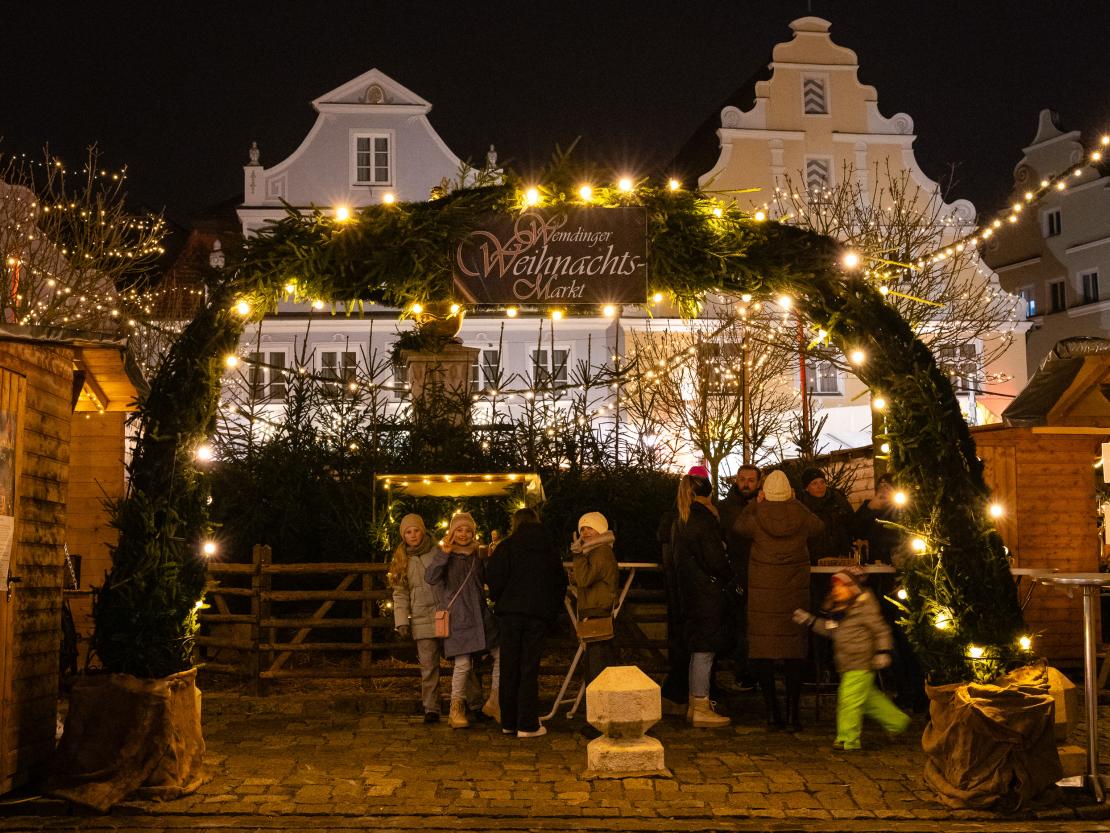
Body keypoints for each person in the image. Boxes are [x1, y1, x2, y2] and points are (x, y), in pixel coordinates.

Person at [734, 468, 823, 732]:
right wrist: (795, 502)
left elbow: (738, 527)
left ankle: (773, 714)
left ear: (764, 491)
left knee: (764, 654)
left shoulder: (757, 514)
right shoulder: (799, 513)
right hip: (795, 595)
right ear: (790, 492)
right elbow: (819, 526)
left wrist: (754, 505)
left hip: (764, 599)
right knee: (794, 654)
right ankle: (794, 715)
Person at [793, 565, 911, 750]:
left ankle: (848, 738)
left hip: (861, 661)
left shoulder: (864, 608)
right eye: (835, 587)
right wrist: (811, 621)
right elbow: (830, 630)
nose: (836, 591)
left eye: (841, 587)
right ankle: (897, 721)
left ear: (853, 589)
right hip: (847, 663)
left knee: (848, 700)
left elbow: (880, 630)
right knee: (868, 700)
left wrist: (883, 651)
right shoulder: (840, 612)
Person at [486, 507, 567, 738]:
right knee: (529, 668)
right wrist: (551, 610)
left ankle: (509, 721)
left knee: (509, 666)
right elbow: (558, 582)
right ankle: (527, 722)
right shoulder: (549, 549)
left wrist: (500, 598)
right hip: (537, 615)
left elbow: (494, 577)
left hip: (510, 614)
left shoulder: (506, 547)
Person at [426, 512, 500, 729]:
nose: (464, 534)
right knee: (463, 663)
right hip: (459, 616)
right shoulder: (445, 553)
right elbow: (430, 577)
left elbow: (489, 578)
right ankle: (455, 709)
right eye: (459, 530)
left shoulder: (479, 554)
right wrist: (443, 555)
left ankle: (495, 700)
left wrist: (491, 559)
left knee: (500, 651)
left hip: (481, 614)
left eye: (468, 530)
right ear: (452, 532)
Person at [673, 465, 735, 727]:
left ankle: (694, 703)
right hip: (707, 594)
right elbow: (715, 560)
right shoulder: (703, 521)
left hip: (691, 593)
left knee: (698, 649)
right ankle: (700, 703)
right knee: (705, 650)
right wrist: (727, 569)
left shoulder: (683, 520)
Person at [388, 513, 446, 723]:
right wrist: (402, 620)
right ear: (403, 535)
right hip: (422, 617)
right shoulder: (402, 559)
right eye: (408, 532)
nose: (413, 535)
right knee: (429, 665)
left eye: (416, 530)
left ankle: (469, 702)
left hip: (444, 614)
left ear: (423, 530)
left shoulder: (438, 552)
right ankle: (431, 707)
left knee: (461, 660)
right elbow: (400, 592)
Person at [717, 464, 762, 690]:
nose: (746, 484)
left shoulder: (765, 506)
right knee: (741, 626)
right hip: (738, 573)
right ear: (736, 480)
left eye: (751, 480)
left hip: (761, 573)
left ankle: (755, 672)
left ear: (758, 483)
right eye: (742, 479)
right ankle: (745, 672)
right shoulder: (725, 508)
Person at [571, 511, 619, 686]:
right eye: (582, 529)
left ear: (600, 529)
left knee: (597, 666)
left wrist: (577, 556)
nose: (585, 533)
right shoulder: (596, 551)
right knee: (597, 662)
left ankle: (598, 704)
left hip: (597, 612)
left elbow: (584, 578)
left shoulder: (600, 551)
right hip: (597, 610)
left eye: (589, 528)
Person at [797, 467, 854, 563]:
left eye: (822, 482)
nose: (820, 486)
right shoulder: (801, 506)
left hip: (840, 557)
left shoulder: (838, 501)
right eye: (814, 483)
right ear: (806, 488)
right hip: (813, 560)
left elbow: (851, 524)